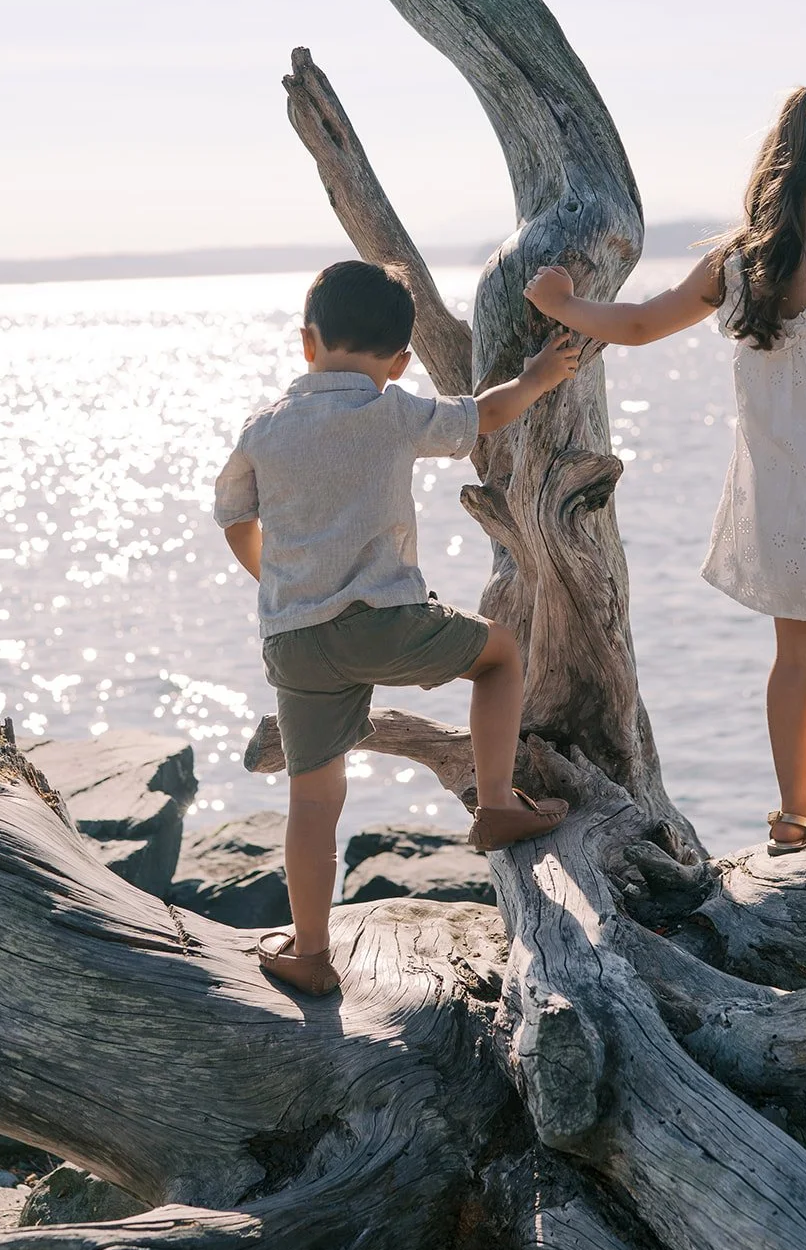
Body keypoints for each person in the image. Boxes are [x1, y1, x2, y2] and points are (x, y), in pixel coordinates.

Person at [524, 88, 806, 855]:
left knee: (795, 660)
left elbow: (640, 324)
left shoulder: (737, 264)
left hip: (782, 501)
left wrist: (567, 305)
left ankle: (791, 814)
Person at [215, 259, 575, 995]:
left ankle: (310, 952)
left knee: (313, 802)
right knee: (500, 656)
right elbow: (487, 413)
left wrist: (282, 585)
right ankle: (499, 804)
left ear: (306, 342)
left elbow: (234, 517)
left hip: (296, 639)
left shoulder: (263, 428)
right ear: (403, 360)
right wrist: (539, 375)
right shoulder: (395, 410)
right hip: (387, 621)